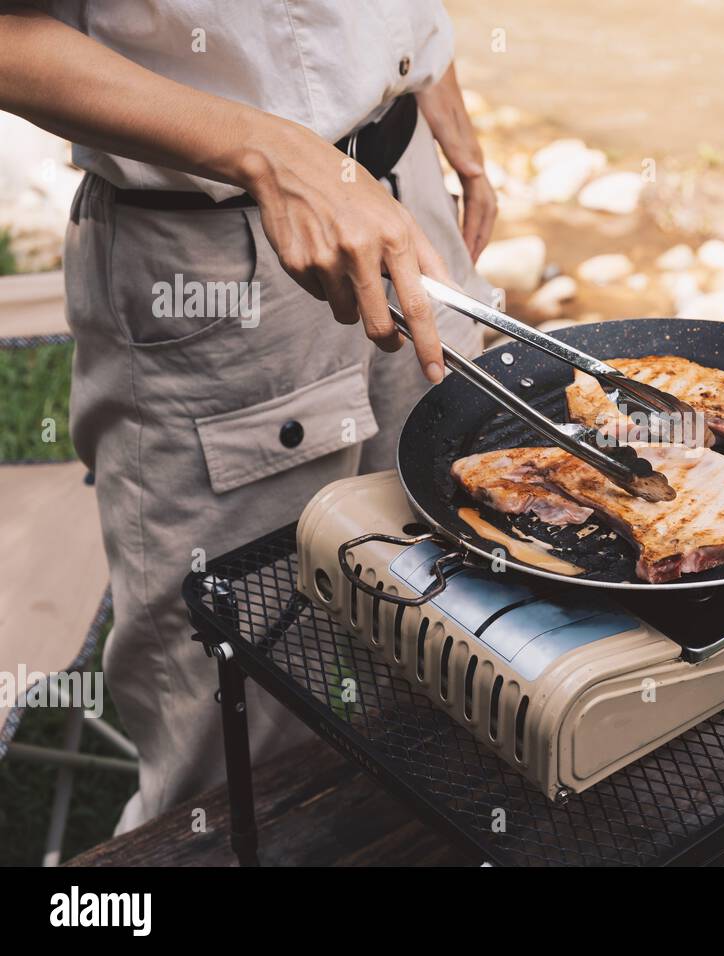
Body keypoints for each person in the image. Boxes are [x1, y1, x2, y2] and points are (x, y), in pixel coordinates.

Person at [0, 1, 497, 831]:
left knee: (453, 644)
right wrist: (276, 154)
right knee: (238, 746)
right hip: (218, 262)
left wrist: (431, 82)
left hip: (407, 199)